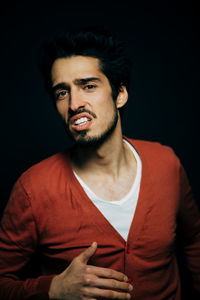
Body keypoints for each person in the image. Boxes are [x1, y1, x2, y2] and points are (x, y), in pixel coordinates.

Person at [0, 27, 200, 300]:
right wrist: (52, 288)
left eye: (88, 86)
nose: (73, 104)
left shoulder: (166, 163)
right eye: (62, 92)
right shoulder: (33, 189)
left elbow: (194, 240)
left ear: (120, 95)